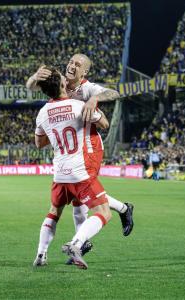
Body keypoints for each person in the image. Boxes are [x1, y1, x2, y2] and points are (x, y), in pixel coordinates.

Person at [27, 54, 134, 254]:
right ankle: (120, 211)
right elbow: (32, 86)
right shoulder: (61, 82)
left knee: (81, 193)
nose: (72, 66)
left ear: (84, 72)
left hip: (90, 146)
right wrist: (34, 77)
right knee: (79, 197)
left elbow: (114, 93)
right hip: (73, 148)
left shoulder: (88, 88)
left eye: (78, 65)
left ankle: (80, 242)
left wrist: (95, 98)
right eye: (70, 62)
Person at [32, 68, 114, 269]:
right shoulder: (79, 106)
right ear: (61, 85)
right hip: (80, 171)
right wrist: (94, 104)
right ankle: (76, 244)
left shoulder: (42, 112)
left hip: (60, 173)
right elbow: (105, 124)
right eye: (63, 79)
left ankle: (41, 255)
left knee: (53, 212)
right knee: (104, 211)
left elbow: (39, 143)